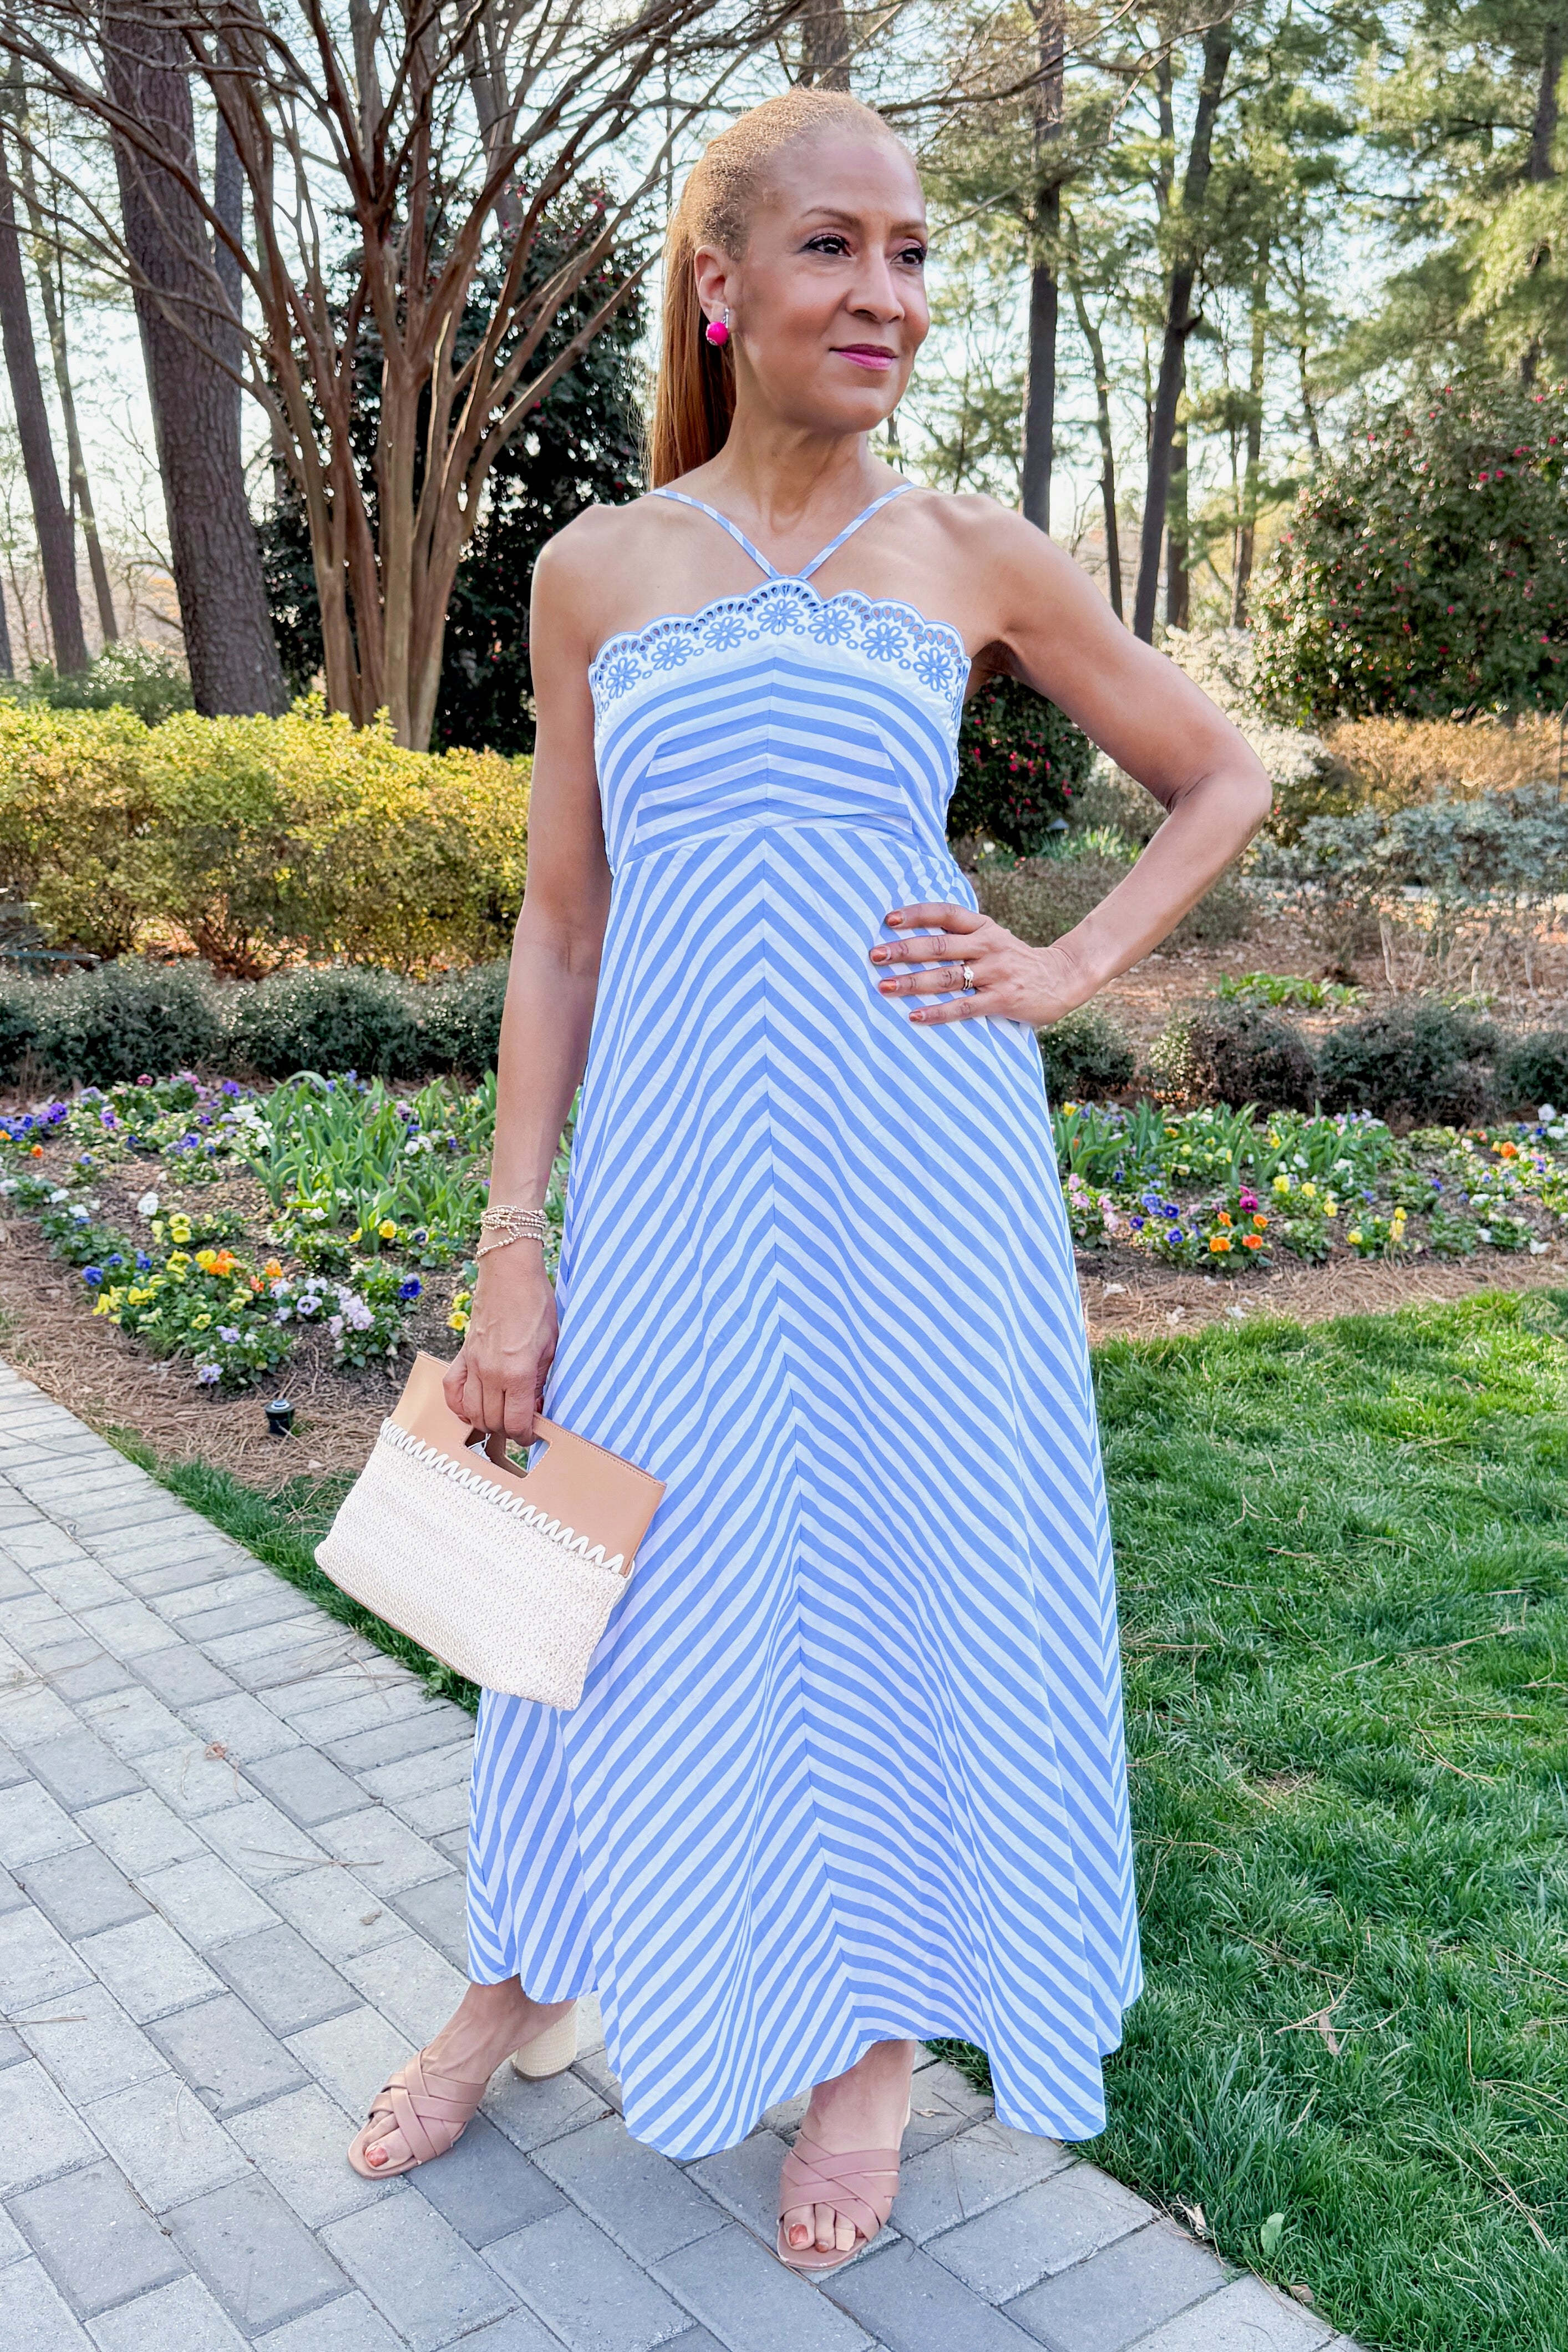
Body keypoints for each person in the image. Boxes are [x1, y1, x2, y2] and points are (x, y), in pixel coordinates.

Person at [345, 85, 1270, 2272]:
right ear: (722, 280)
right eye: (836, 246)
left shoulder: (970, 549)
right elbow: (560, 923)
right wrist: (511, 1241)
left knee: (899, 1570)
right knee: (606, 1597)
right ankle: (525, 1970)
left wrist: (1061, 966)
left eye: (914, 252)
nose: (888, 294)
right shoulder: (596, 570)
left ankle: (867, 2043)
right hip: (673, 1183)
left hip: (921, 1178)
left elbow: (1220, 772)